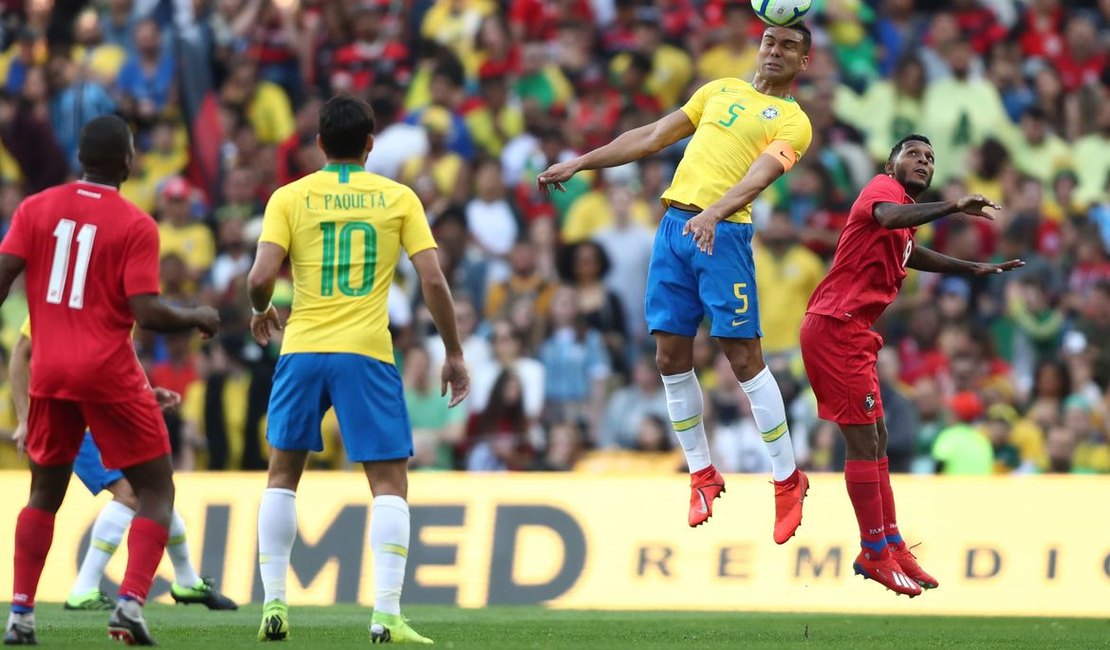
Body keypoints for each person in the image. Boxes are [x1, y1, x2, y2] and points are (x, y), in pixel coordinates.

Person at [539, 24, 813, 540]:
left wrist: (713, 213)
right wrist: (580, 163)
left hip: (724, 233)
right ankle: (703, 475)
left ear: (805, 61)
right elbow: (649, 136)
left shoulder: (795, 122)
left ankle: (786, 480)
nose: (775, 51)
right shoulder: (718, 89)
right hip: (675, 230)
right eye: (769, 42)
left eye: (789, 46)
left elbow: (759, 177)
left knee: (742, 356)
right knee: (668, 356)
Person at [247, 96, 469, 645]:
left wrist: (260, 310)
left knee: (282, 475)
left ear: (319, 143)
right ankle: (386, 615)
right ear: (371, 143)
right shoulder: (399, 198)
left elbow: (258, 278)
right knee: (389, 483)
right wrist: (455, 352)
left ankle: (274, 603)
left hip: (301, 348)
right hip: (366, 351)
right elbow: (434, 282)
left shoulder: (289, 197)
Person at [0, 114, 220, 646]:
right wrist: (195, 315)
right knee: (155, 488)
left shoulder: (35, 208)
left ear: (80, 157)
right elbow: (145, 313)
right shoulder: (136, 224)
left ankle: (21, 614)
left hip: (49, 374)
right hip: (108, 374)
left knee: (42, 495)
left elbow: (2, 279)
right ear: (127, 161)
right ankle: (129, 604)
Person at [800, 134, 1024, 598]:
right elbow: (888, 217)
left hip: (853, 331)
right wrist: (954, 206)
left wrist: (970, 268)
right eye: (913, 154)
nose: (923, 161)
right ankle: (872, 550)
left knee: (878, 436)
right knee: (863, 439)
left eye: (930, 158)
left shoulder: (902, 215)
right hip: (835, 326)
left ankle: (893, 542)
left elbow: (909, 251)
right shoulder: (883, 190)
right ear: (891, 163)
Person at [9, 318, 237, 612]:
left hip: (110, 417)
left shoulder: (114, 298)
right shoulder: (63, 294)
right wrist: (24, 418)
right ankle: (85, 587)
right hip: (78, 422)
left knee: (154, 492)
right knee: (132, 493)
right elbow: (20, 352)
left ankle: (186, 580)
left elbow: (120, 358)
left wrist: (143, 396)